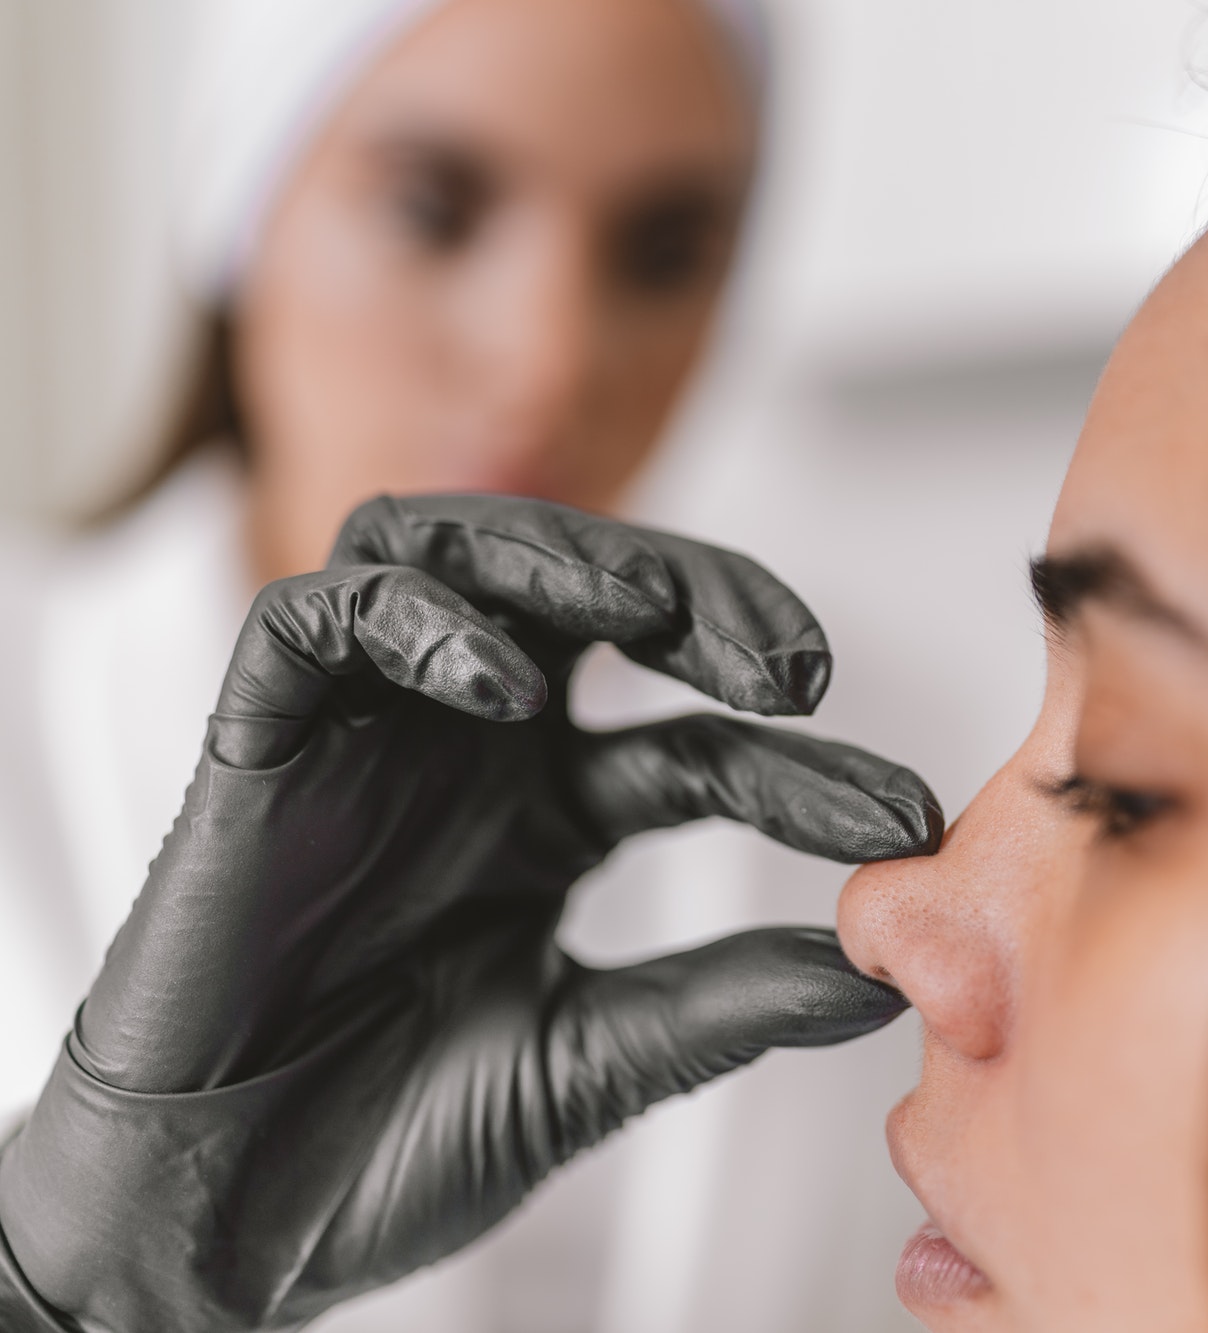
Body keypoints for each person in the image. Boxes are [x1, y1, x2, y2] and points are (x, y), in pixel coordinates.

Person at [6, 0, 1208, 1328]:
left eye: (1125, 777)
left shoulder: (849, 734)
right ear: (236, 205)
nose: (886, 918)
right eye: (436, 206)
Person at [0, 0, 932, 1327]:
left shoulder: (910, 775)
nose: (551, 359)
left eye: (664, 250)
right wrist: (58, 1289)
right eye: (432, 210)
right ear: (239, 192)